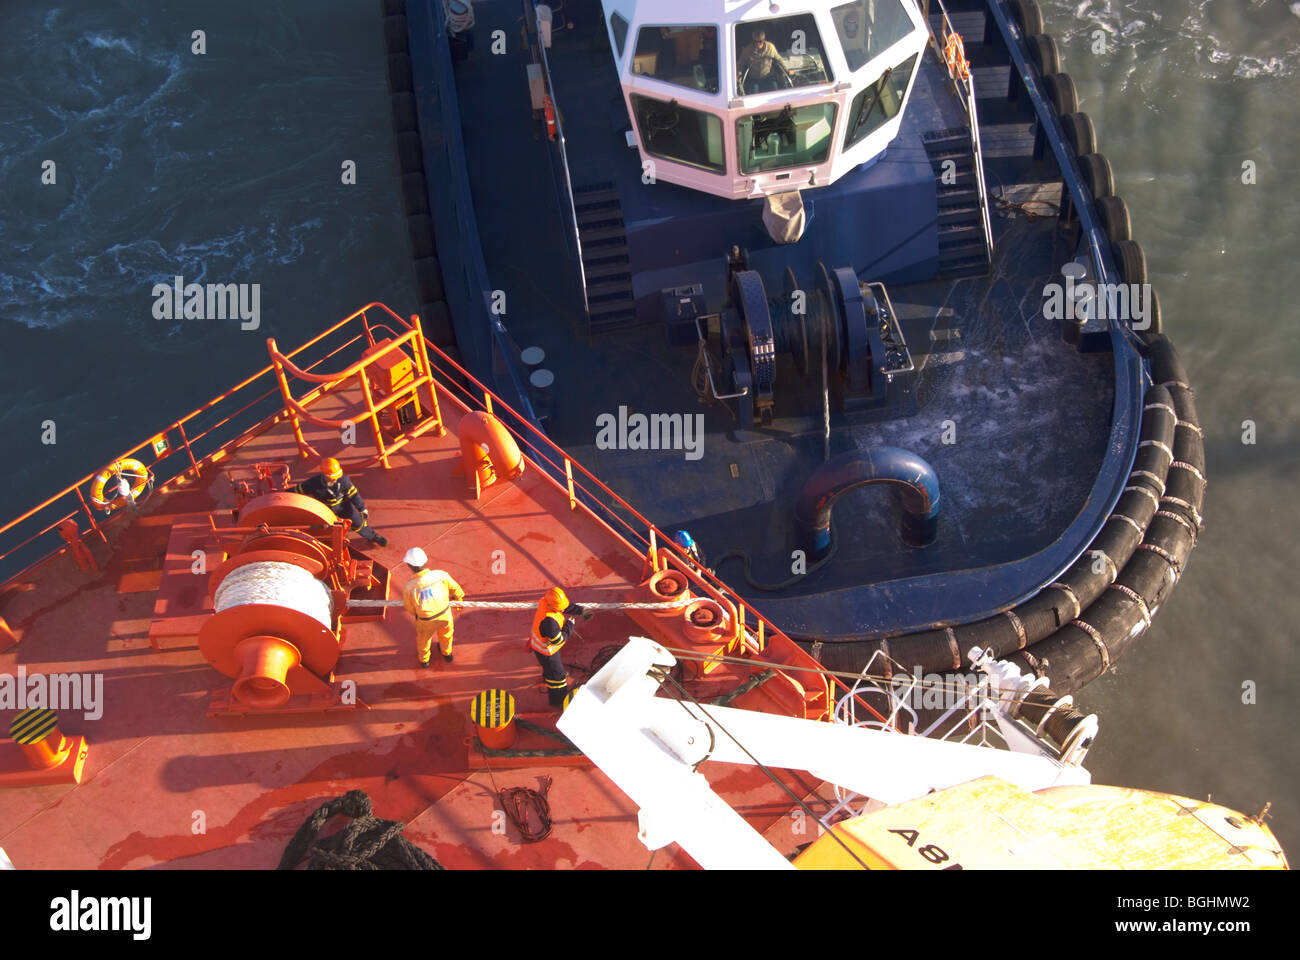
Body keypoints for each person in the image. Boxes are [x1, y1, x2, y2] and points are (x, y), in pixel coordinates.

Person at [291, 458, 388, 547]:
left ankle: (373, 537)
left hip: (342, 506)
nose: (335, 479)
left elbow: (354, 495)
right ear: (325, 475)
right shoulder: (313, 483)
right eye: (333, 476)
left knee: (358, 522)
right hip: (325, 510)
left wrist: (362, 509)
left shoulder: (344, 481)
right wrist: (283, 494)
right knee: (325, 530)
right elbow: (298, 489)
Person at [528, 586, 592, 708]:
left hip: (546, 649)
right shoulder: (549, 621)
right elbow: (558, 639)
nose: (562, 610)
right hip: (547, 652)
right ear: (552, 607)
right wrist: (570, 625)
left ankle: (548, 675)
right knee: (558, 678)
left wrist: (581, 610)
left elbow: (564, 606)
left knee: (550, 670)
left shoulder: (546, 601)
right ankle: (557, 700)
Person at [401, 547, 465, 667]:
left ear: (409, 565)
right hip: (445, 615)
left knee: (423, 640)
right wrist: (459, 598)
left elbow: (409, 607)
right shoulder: (440, 575)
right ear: (425, 561)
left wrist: (417, 614)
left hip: (426, 620)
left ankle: (424, 660)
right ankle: (447, 654)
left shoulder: (410, 587)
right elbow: (456, 588)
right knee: (447, 634)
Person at [738, 29, 783, 93]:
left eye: (760, 41)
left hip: (768, 77)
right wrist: (738, 75)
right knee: (753, 95)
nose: (757, 44)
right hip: (753, 79)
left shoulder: (770, 47)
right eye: (755, 41)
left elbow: (779, 59)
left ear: (764, 40)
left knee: (775, 93)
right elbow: (740, 64)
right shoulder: (747, 50)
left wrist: (787, 70)